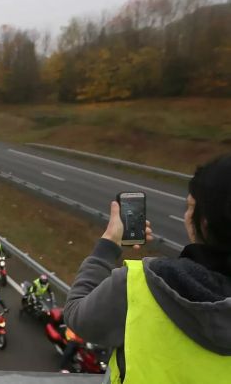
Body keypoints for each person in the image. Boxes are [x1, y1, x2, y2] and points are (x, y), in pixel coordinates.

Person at [64, 154, 231, 383]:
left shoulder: (141, 283)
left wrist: (108, 244)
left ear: (205, 222)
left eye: (191, 207)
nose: (186, 215)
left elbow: (77, 316)